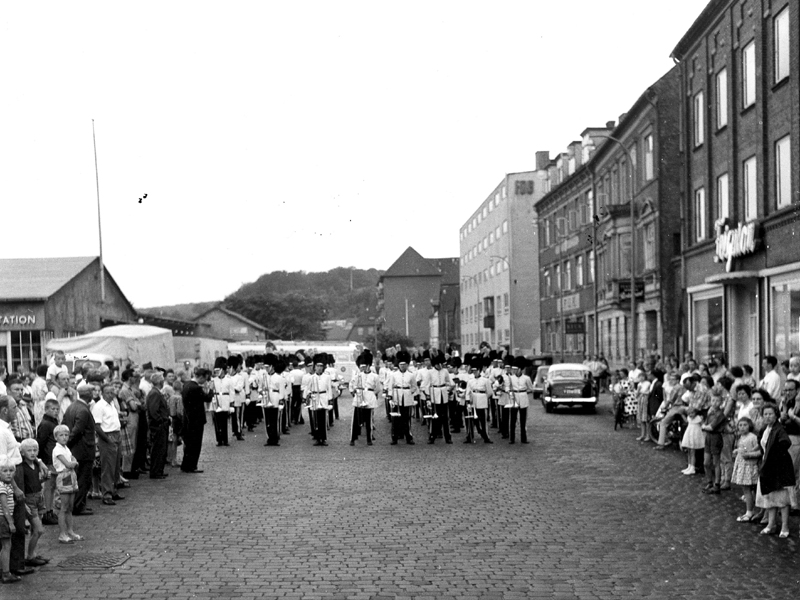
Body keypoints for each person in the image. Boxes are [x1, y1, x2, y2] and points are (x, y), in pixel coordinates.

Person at [755, 403, 796, 538]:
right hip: (769, 466)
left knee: (782, 498)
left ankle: (784, 526)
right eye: (765, 414)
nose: (767, 416)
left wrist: (774, 456)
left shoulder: (779, 429)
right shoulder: (765, 429)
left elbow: (786, 443)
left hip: (779, 467)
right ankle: (771, 524)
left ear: (776, 414)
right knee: (771, 496)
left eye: (770, 414)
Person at [61, 386, 96, 516]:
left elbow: (64, 424)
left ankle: (78, 504)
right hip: (83, 449)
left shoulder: (72, 407)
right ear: (89, 395)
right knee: (83, 479)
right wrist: (66, 443)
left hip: (76, 449)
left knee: (79, 478)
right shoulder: (83, 410)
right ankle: (78, 505)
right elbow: (77, 430)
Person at [17, 439, 48, 567]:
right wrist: (24, 504)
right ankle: (30, 556)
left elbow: (35, 482)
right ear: (23, 453)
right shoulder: (22, 467)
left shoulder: (36, 465)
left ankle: (33, 553)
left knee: (36, 529)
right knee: (38, 530)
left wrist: (43, 479)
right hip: (29, 499)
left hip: (38, 496)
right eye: (29, 450)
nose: (32, 453)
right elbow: (23, 486)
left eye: (35, 450)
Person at [92, 384, 123, 505]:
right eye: (109, 392)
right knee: (108, 466)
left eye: (113, 392)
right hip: (107, 435)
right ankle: (107, 494)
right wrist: (107, 439)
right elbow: (97, 426)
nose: (113, 394)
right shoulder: (99, 406)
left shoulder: (112, 404)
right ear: (103, 394)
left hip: (116, 433)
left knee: (115, 466)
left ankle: (113, 490)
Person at [51, 424, 82, 544]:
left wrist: (73, 463)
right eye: (61, 435)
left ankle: (70, 531)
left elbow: (72, 459)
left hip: (71, 475)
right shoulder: (57, 450)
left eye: (66, 435)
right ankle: (62, 533)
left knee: (70, 507)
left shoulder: (66, 448)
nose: (64, 437)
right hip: (64, 476)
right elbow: (69, 463)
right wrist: (73, 463)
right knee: (63, 507)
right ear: (56, 437)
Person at [180, 368, 211, 473]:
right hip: (196, 420)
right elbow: (207, 398)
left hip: (188, 418)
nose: (205, 381)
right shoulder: (196, 388)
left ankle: (185, 465)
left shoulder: (187, 384)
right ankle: (191, 466)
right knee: (195, 444)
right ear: (201, 377)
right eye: (204, 379)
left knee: (189, 444)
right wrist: (210, 390)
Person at [35, 399, 60, 525]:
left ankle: (50, 510)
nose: (55, 412)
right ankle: (46, 512)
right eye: (52, 409)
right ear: (46, 409)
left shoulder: (53, 423)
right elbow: (41, 442)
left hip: (54, 459)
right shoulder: (45, 424)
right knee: (49, 487)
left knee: (52, 486)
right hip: (48, 459)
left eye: (57, 409)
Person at [732, 417, 761, 522]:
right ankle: (751, 509)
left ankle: (750, 511)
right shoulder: (741, 437)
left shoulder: (752, 437)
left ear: (750, 426)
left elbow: (757, 449)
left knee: (748, 489)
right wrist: (737, 450)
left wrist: (747, 454)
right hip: (742, 464)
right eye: (740, 425)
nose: (742, 427)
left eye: (745, 425)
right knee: (746, 489)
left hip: (749, 466)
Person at [387, 351, 417, 445]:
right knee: (395, 419)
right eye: (400, 364)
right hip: (397, 397)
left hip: (407, 398)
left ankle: (409, 437)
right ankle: (394, 438)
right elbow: (390, 387)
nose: (402, 366)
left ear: (407, 365)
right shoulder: (394, 374)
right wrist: (391, 398)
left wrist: (410, 392)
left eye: (404, 364)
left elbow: (414, 386)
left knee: (406, 419)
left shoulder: (411, 375)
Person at [349, 350, 379, 446]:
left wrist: (370, 395)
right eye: (361, 366)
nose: (363, 368)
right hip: (359, 397)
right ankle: (352, 438)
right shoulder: (358, 375)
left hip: (369, 398)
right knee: (355, 419)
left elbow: (377, 388)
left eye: (365, 366)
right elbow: (352, 385)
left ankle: (369, 439)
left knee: (369, 420)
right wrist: (355, 392)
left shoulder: (374, 376)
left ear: (368, 365)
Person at [701, 390, 727, 494]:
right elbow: (706, 423)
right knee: (706, 462)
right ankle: (709, 481)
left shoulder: (720, 414)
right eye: (713, 400)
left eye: (717, 401)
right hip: (708, 437)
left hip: (716, 437)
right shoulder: (710, 411)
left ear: (721, 402)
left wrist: (704, 427)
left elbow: (711, 427)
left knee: (716, 462)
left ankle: (717, 484)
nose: (714, 403)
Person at [146, 372, 169, 479]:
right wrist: (161, 421)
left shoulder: (156, 392)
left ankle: (159, 470)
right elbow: (153, 411)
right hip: (158, 425)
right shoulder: (155, 393)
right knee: (158, 448)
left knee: (161, 448)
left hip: (160, 424)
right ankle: (155, 471)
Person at [0, 456, 20, 583]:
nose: (8, 473)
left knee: (5, 545)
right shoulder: (2, 487)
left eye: (11, 471)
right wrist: (11, 522)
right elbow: (4, 506)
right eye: (5, 471)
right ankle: (6, 573)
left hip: (4, 518)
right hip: (3, 519)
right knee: (6, 545)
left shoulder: (7, 486)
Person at [305, 354, 332, 446]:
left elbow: (329, 389)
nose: (319, 368)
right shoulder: (311, 377)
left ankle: (323, 438)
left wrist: (330, 400)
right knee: (315, 419)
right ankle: (317, 438)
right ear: (314, 367)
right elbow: (308, 388)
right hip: (315, 398)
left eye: (321, 366)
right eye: (317, 366)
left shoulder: (327, 377)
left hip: (323, 398)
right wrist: (308, 395)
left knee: (323, 419)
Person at [426, 353, 453, 445]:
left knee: (445, 417)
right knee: (435, 417)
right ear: (435, 364)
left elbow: (449, 382)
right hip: (434, 394)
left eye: (441, 364)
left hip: (443, 394)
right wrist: (428, 397)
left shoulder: (445, 371)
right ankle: (432, 436)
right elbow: (426, 385)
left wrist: (448, 389)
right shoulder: (430, 372)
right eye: (438, 364)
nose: (440, 365)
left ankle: (448, 437)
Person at [508, 356, 533, 444]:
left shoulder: (526, 378)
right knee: (513, 420)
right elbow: (509, 388)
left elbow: (530, 389)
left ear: (520, 369)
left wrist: (524, 392)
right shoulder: (511, 378)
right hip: (514, 398)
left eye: (516, 369)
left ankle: (524, 438)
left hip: (523, 398)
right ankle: (512, 438)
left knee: (523, 420)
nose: (514, 371)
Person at [211, 357, 231, 447]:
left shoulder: (228, 379)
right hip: (216, 400)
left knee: (224, 421)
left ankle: (225, 440)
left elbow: (232, 393)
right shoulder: (214, 380)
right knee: (217, 422)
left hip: (225, 401)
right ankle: (219, 440)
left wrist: (231, 404)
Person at [680, 408, 704, 475]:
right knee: (689, 451)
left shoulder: (698, 418)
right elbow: (687, 422)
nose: (690, 415)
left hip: (695, 435)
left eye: (692, 413)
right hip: (689, 434)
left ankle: (692, 467)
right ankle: (689, 466)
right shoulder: (688, 418)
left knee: (693, 452)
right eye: (689, 413)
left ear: (695, 413)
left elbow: (703, 425)